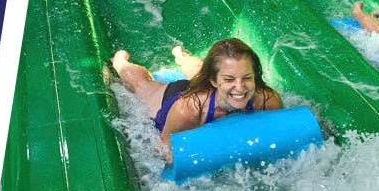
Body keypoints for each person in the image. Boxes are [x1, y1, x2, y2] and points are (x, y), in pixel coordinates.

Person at [106, 38, 284, 161]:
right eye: (229, 79)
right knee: (142, 86)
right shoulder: (187, 110)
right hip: (176, 97)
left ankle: (181, 56)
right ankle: (120, 62)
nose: (240, 87)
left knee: (199, 71)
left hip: (212, 91)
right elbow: (163, 149)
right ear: (213, 80)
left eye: (247, 78)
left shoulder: (267, 100)